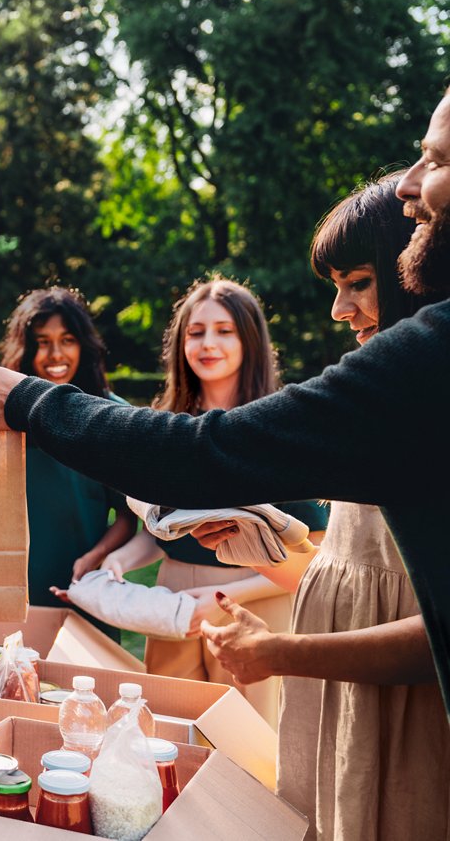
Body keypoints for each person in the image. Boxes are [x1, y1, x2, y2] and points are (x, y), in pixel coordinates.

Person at [0, 86, 450, 718]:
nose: (411, 183)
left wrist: (27, 400)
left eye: (435, 161)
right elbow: (365, 588)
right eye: (195, 331)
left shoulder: (410, 371)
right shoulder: (396, 387)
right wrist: (271, 547)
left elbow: (205, 453)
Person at [198, 174, 447, 840]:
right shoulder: (384, 403)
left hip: (409, 728)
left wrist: (279, 650)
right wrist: (264, 550)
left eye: (359, 282)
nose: (339, 309)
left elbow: (436, 634)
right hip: (343, 717)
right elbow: (359, 583)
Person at [90, 279, 327, 724]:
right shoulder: (165, 426)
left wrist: (219, 598)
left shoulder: (283, 424)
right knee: (167, 732)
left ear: (250, 339)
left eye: (224, 330)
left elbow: (317, 549)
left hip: (254, 599)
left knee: (251, 743)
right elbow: (162, 531)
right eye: (196, 332)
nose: (208, 344)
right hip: (173, 601)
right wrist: (119, 559)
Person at [0, 287, 135, 628]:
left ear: (84, 345)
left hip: (83, 589)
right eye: (42, 341)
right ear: (24, 349)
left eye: (67, 339)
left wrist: (96, 556)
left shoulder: (112, 416)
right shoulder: (1, 418)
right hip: (8, 593)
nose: (56, 354)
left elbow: (130, 517)